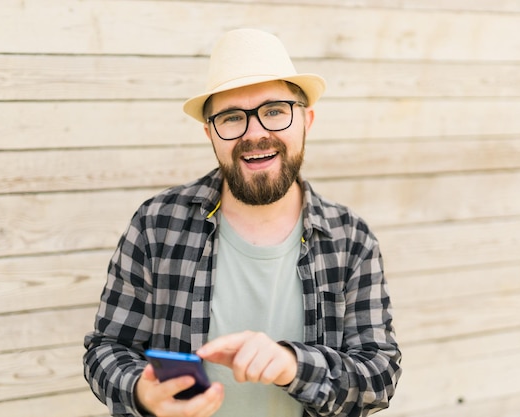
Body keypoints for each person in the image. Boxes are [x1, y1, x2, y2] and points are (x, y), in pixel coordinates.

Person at [83, 28, 402, 417]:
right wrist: (141, 392)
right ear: (210, 134)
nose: (255, 133)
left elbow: (379, 376)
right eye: (232, 118)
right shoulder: (157, 224)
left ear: (307, 121)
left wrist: (293, 365)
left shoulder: (351, 239)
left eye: (274, 111)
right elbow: (107, 348)